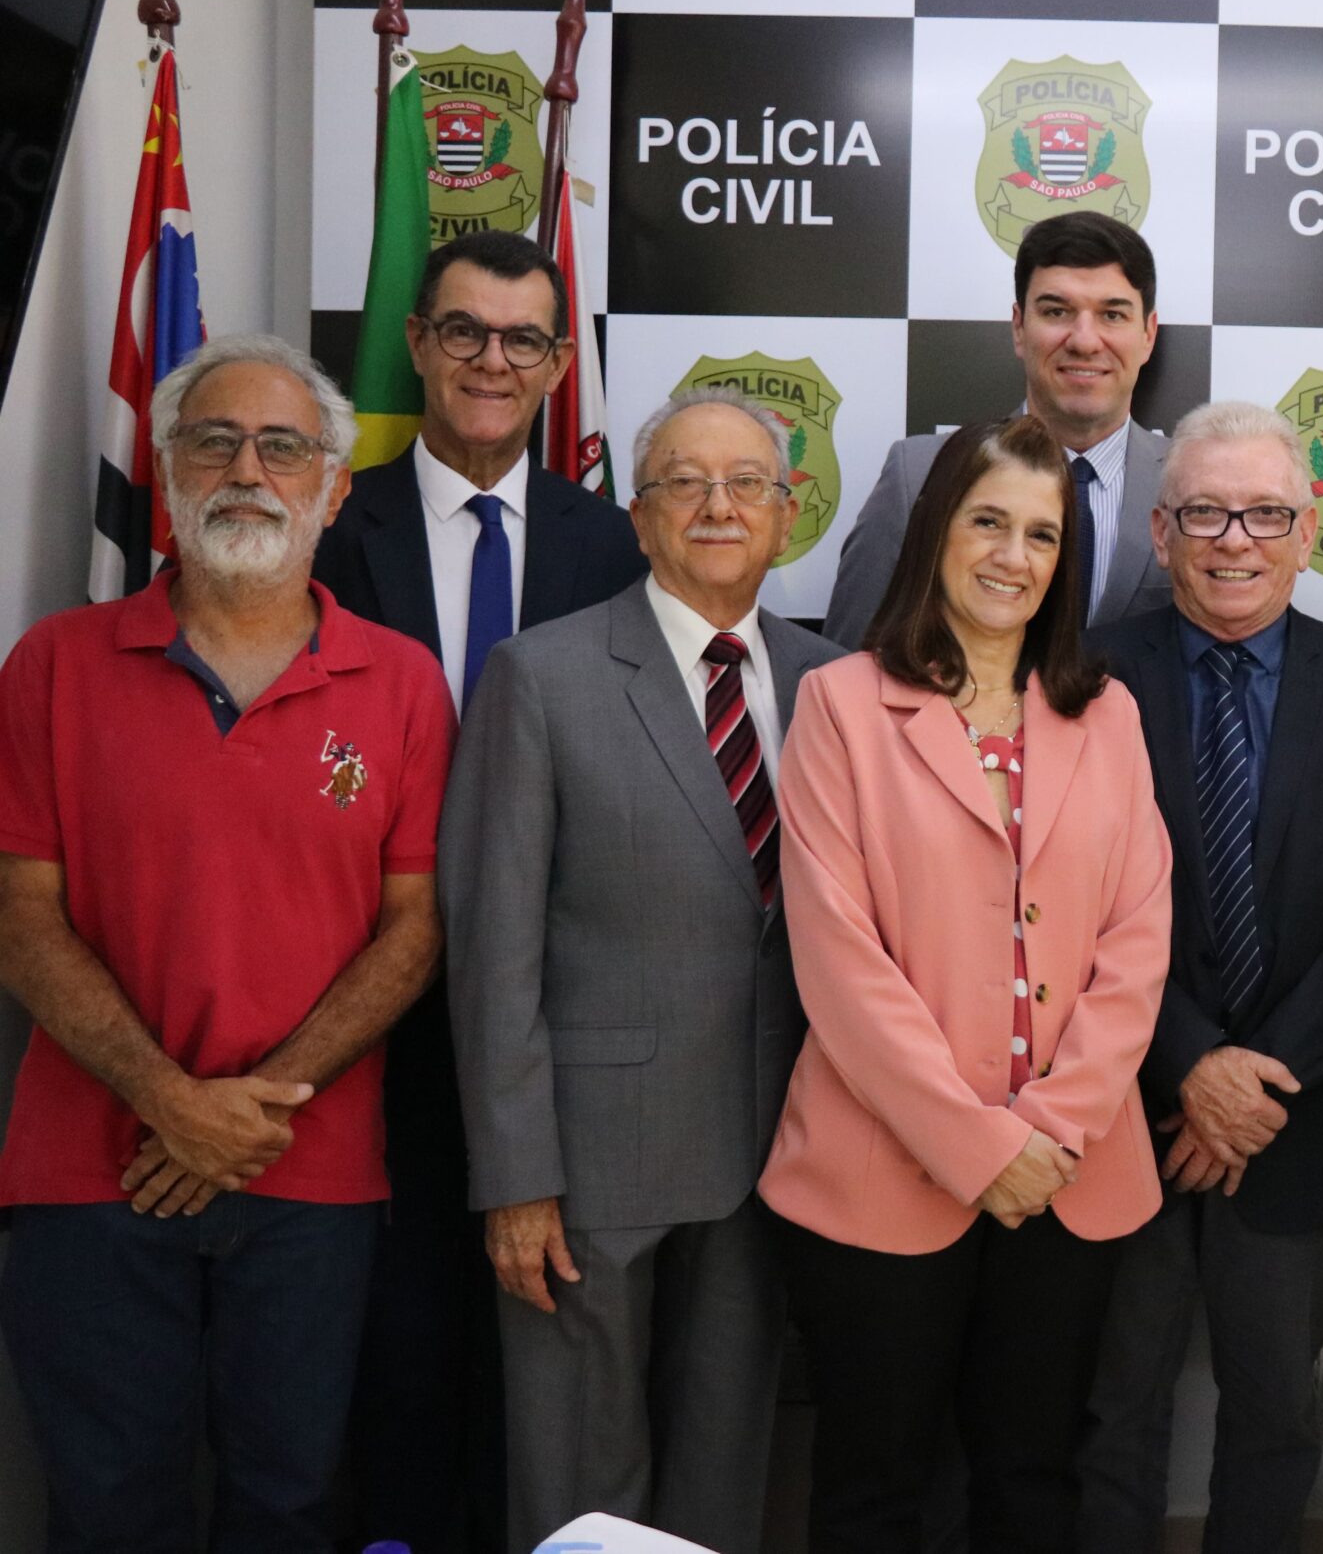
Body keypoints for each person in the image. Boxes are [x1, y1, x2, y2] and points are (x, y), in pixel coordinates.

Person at [0, 334, 450, 1552]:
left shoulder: (405, 684)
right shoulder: (51, 664)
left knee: (292, 1506)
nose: (248, 469)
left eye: (283, 446)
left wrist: (246, 1111)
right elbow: (19, 913)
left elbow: (415, 933)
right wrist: (166, 1098)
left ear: (334, 485)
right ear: (166, 468)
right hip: (89, 1175)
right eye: (215, 440)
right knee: (106, 1509)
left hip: (311, 1178)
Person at [764, 414, 1174, 1553]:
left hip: (1068, 1174)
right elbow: (839, 962)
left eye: (1041, 535)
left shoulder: (1109, 714)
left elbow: (1138, 940)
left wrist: (1048, 1127)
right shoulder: (842, 705)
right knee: (872, 1491)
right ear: (936, 530)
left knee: (1033, 1486)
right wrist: (977, 1143)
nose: (1012, 556)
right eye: (987, 521)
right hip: (881, 1171)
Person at [440, 391, 837, 1554]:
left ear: (786, 512)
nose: (719, 506)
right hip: (587, 1165)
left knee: (728, 1466)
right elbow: (491, 945)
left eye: (747, 483)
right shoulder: (542, 676)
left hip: (777, 1150)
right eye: (684, 482)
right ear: (638, 511)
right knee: (580, 1480)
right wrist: (514, 1176)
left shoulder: (837, 684)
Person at [313, 227, 645, 1554]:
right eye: (463, 331)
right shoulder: (335, 530)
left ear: (560, 363)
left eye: (522, 339)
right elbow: (308, 753)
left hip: (556, 1020)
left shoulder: (612, 541)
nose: (491, 362)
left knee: (542, 1356)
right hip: (372, 1008)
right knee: (399, 1347)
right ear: (417, 342)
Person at [1078, 402, 1323, 1553]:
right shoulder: (1089, 677)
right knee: (1111, 1407)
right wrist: (1190, 1067)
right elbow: (1066, 908)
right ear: (1162, 529)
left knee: (1276, 1413)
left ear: (1309, 528)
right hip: (1125, 1112)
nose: (1236, 540)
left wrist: (1248, 1090)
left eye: (1265, 513)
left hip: (1295, 1123)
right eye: (1206, 515)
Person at [822, 211, 1173, 648]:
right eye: (1057, 311)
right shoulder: (918, 475)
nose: (1084, 340)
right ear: (1019, 328)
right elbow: (847, 669)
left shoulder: (1195, 486)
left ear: (1148, 335)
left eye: (1112, 315)